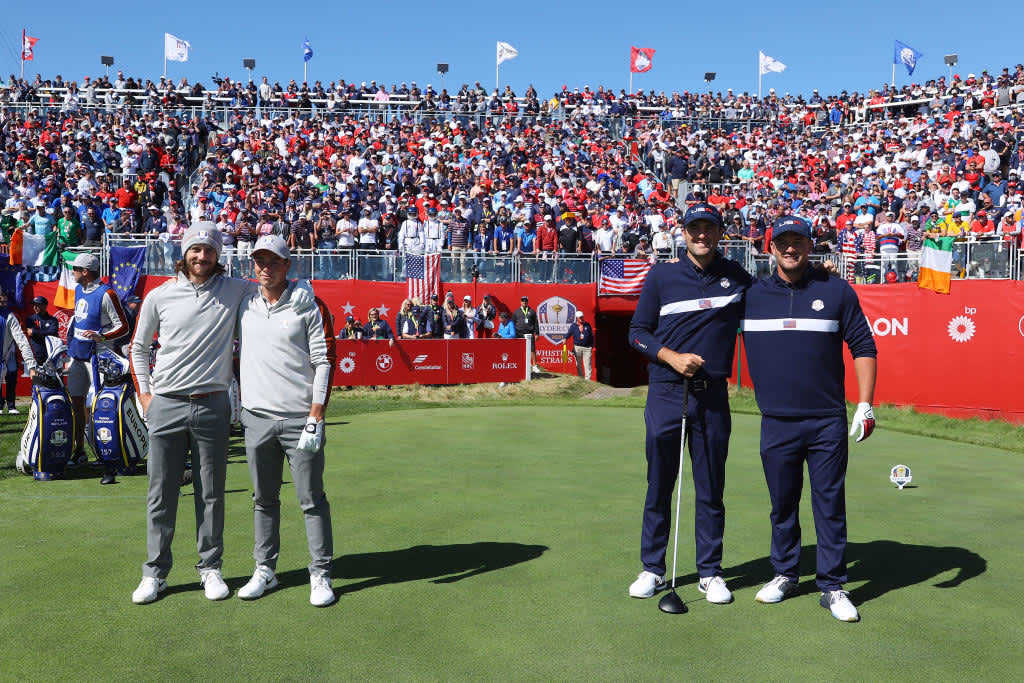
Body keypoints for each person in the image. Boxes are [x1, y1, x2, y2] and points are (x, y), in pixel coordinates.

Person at [129, 223, 280, 605]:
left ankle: (210, 568)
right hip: (166, 402)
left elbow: (271, 287)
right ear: (185, 253)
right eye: (196, 250)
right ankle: (155, 573)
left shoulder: (236, 290)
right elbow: (138, 347)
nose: (202, 256)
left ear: (218, 256)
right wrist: (145, 396)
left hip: (213, 403)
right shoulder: (159, 296)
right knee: (161, 492)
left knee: (211, 493)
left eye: (209, 251)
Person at [741, 215, 877, 623]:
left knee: (829, 504)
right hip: (776, 421)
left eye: (797, 240)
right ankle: (785, 573)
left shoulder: (835, 289)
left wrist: (866, 405)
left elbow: (863, 345)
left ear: (809, 244)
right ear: (771, 247)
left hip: (825, 421)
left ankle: (832, 585)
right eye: (782, 241)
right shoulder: (752, 294)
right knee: (782, 504)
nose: (790, 248)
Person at [627, 203, 752, 605]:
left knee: (711, 486)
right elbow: (637, 333)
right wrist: (670, 356)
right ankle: (652, 568)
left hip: (712, 395)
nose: (701, 235)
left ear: (719, 235)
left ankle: (710, 572)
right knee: (660, 482)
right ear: (683, 234)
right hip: (666, 390)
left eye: (708, 229)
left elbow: (776, 298)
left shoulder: (737, 277)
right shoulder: (662, 276)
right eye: (694, 228)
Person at [236, 234, 338, 607]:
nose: (265, 267)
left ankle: (320, 573)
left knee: (311, 500)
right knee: (264, 499)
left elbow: (324, 360)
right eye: (259, 261)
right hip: (257, 417)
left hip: (300, 418)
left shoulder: (308, 304)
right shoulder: (244, 302)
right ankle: (265, 569)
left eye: (273, 261)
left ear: (286, 265)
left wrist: (317, 413)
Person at [66, 253, 130, 481]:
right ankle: (80, 450)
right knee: (76, 403)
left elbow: (123, 326)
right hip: (78, 356)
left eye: (75, 268)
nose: (72, 271)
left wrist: (101, 336)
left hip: (100, 358)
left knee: (101, 408)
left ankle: (109, 457)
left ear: (85, 272)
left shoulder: (107, 294)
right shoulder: (78, 290)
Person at [0, 291, 37, 413]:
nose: (3, 304)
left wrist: (31, 366)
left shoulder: (10, 317)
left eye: (4, 302)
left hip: (7, 355)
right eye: (1, 302)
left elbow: (22, 341)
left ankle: (11, 406)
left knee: (11, 378)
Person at [25, 296, 59, 366]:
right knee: (37, 376)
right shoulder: (30, 319)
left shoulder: (53, 320)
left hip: (50, 354)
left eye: (38, 305)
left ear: (45, 306)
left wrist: (35, 332)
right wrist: (46, 332)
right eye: (34, 305)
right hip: (36, 354)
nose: (35, 307)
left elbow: (53, 332)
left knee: (51, 376)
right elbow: (29, 333)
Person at [512, 296, 542, 373]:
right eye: (522, 301)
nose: (524, 302)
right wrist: (513, 334)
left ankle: (534, 366)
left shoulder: (532, 311)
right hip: (519, 333)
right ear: (520, 302)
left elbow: (536, 323)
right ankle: (520, 365)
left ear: (527, 302)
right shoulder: (516, 312)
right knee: (519, 350)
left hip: (530, 333)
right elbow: (513, 323)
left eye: (525, 301)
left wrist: (537, 333)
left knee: (532, 349)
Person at [566, 311, 594, 380]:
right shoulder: (573, 326)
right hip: (577, 347)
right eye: (579, 318)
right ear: (577, 318)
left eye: (582, 317)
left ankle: (588, 380)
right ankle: (581, 379)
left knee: (587, 364)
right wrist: (565, 338)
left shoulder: (587, 325)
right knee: (578, 364)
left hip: (587, 348)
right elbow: (569, 333)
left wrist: (591, 346)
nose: (581, 319)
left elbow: (591, 336)